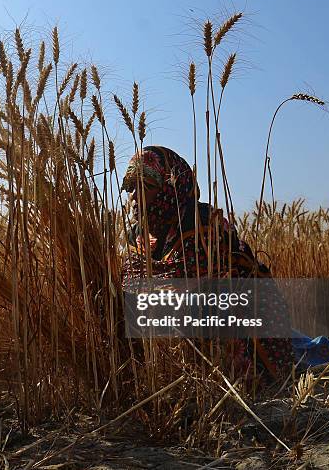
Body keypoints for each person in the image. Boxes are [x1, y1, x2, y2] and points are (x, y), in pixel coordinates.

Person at [120, 145, 293, 380]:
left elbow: (191, 290)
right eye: (131, 188)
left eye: (147, 187)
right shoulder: (139, 236)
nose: (134, 197)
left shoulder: (199, 222)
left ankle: (219, 381)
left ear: (171, 188)